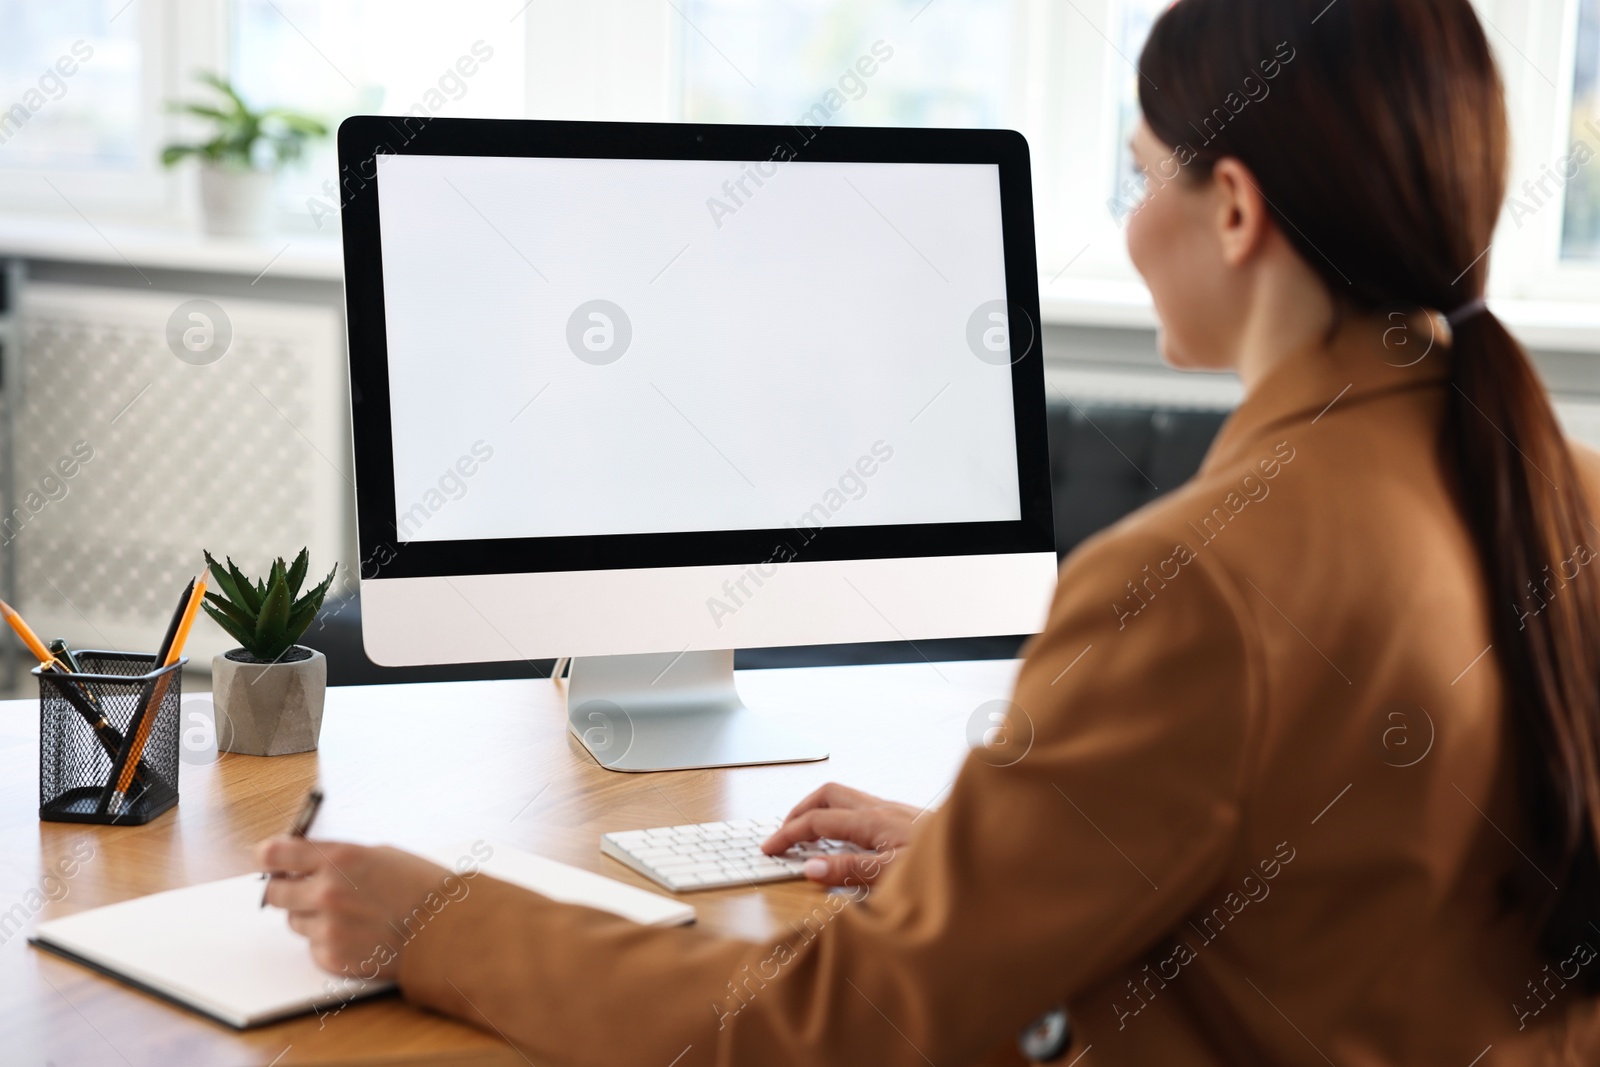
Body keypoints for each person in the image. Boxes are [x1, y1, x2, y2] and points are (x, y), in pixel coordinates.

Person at [259, 0, 1600, 1061]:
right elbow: (1357, 885)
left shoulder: (1196, 580)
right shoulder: (1558, 490)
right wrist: (1017, 844)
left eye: (1143, 179)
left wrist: (435, 922)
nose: (1133, 227)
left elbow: (834, 1033)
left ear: (1236, 210)